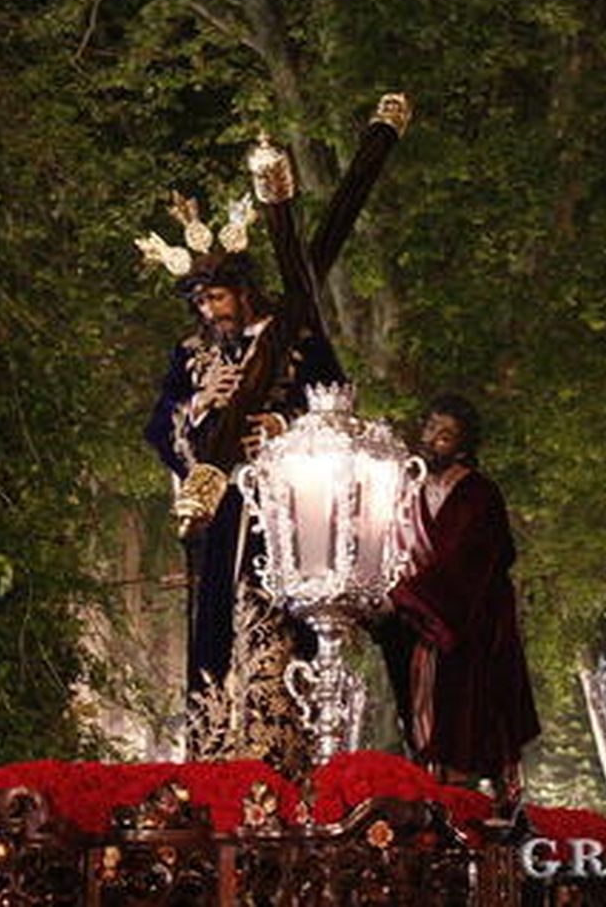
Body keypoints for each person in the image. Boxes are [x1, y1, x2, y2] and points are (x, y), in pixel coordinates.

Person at [138, 95, 412, 743]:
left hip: (287, 509)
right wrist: (197, 411)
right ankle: (214, 746)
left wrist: (284, 432)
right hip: (216, 509)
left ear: (244, 288)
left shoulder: (292, 337)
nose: (211, 310)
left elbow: (334, 398)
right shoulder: (192, 353)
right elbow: (158, 425)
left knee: (280, 620)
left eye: (220, 295)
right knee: (212, 625)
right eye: (202, 301)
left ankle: (287, 742)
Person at [379, 394, 541, 799]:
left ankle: (474, 804)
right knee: (417, 714)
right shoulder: (407, 491)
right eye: (431, 428)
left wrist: (408, 596)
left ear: (463, 446)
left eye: (445, 435)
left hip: (471, 624)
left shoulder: (479, 494)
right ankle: (426, 792)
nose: (433, 439)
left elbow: (472, 559)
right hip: (415, 624)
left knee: (469, 717)